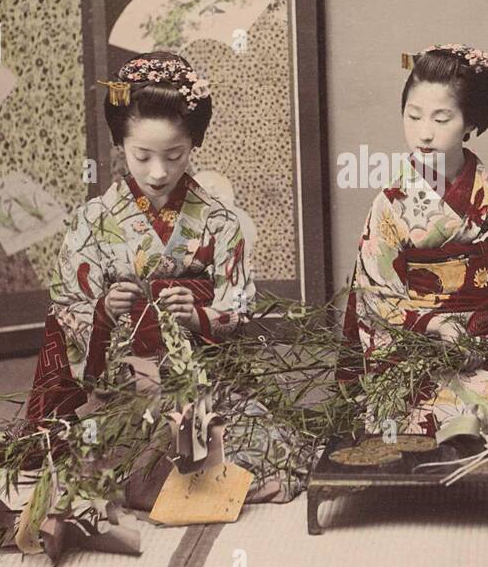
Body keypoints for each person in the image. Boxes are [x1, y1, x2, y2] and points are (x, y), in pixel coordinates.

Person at [26, 50, 303, 504]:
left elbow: (239, 306)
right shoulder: (93, 221)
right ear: (120, 145)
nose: (159, 172)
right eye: (143, 155)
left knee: (264, 444)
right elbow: (66, 310)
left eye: (174, 155)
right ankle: (166, 479)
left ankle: (173, 480)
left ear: (193, 145)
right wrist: (103, 311)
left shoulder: (219, 221)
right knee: (100, 455)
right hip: (123, 383)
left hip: (202, 378)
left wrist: (198, 317)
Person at [340, 44, 488, 439]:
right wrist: (433, 325)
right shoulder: (390, 204)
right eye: (413, 116)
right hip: (419, 347)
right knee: (421, 406)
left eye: (441, 118)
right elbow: (374, 294)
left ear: (471, 124)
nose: (424, 132)